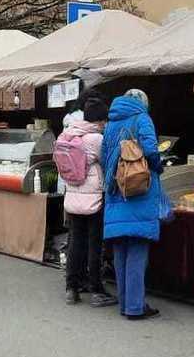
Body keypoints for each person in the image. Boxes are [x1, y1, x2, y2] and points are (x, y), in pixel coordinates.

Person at [101, 88, 167, 321]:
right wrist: (158, 167)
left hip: (116, 191)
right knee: (138, 250)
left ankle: (124, 303)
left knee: (121, 251)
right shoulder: (142, 119)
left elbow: (103, 157)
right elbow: (150, 149)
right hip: (139, 191)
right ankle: (135, 307)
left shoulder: (109, 124)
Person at [62, 93, 118, 307]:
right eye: (104, 120)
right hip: (93, 197)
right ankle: (96, 289)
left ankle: (71, 287)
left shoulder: (69, 134)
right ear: (100, 120)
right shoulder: (97, 139)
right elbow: (108, 164)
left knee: (75, 241)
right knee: (95, 243)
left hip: (73, 195)